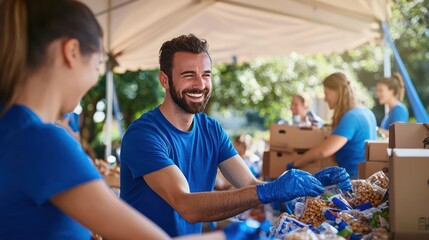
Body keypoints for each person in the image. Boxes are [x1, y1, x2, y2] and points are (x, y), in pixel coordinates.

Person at [0, 1, 260, 239]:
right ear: (71, 52)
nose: (94, 79)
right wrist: (232, 235)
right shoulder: (43, 141)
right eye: (98, 65)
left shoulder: (14, 129)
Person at [120, 34, 349, 237]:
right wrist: (271, 190)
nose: (200, 84)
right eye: (189, 75)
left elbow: (249, 184)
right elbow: (186, 205)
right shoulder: (143, 135)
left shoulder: (211, 129)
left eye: (206, 74)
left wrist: (310, 187)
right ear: (164, 80)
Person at [288, 72, 377, 179]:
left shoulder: (351, 117)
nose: (325, 99)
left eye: (326, 93)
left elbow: (324, 151)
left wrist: (295, 163)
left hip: (354, 178)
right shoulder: (366, 111)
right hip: (365, 175)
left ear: (338, 92)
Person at [375, 72, 409, 137]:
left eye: (381, 90)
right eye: (377, 91)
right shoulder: (391, 111)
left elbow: (398, 134)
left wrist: (376, 130)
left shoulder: (399, 110)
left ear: (392, 91)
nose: (377, 94)